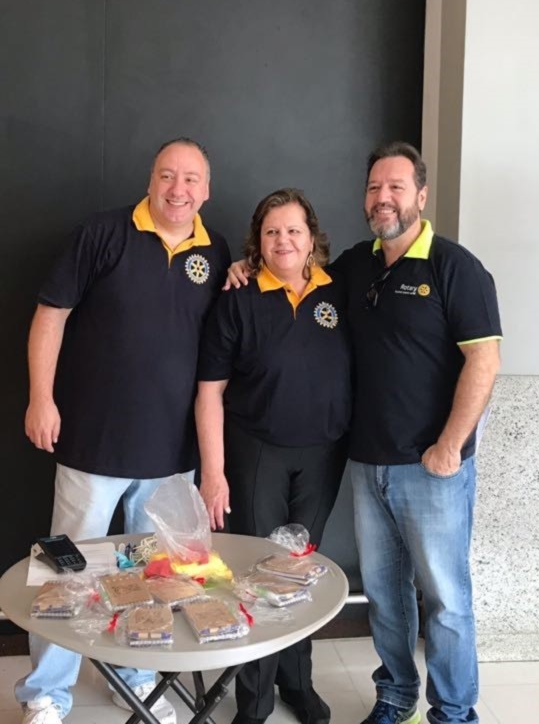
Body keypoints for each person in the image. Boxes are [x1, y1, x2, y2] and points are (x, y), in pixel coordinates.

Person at [227, 142, 501, 724]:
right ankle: (396, 696)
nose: (384, 198)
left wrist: (450, 445)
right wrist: (245, 267)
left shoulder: (455, 267)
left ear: (420, 195)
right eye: (375, 187)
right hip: (367, 465)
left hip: (432, 469)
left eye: (396, 187)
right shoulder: (355, 267)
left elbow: (484, 360)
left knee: (446, 599)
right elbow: (292, 269)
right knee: (385, 596)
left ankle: (454, 712)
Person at [17, 138, 230, 724]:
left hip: (169, 454)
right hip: (94, 444)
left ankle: (136, 682)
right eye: (167, 176)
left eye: (191, 179)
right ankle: (46, 693)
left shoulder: (216, 252)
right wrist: (41, 398)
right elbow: (50, 316)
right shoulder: (102, 233)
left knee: (148, 575)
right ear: (150, 180)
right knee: (67, 571)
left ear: (206, 190)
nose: (178, 189)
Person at [195, 188, 351, 724]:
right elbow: (210, 391)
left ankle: (297, 683)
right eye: (272, 232)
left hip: (323, 454)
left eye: (293, 230)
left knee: (301, 570)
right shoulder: (237, 298)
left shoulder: (340, 289)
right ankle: (255, 701)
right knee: (259, 575)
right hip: (256, 451)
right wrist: (213, 472)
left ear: (312, 238)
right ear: (257, 243)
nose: (283, 240)